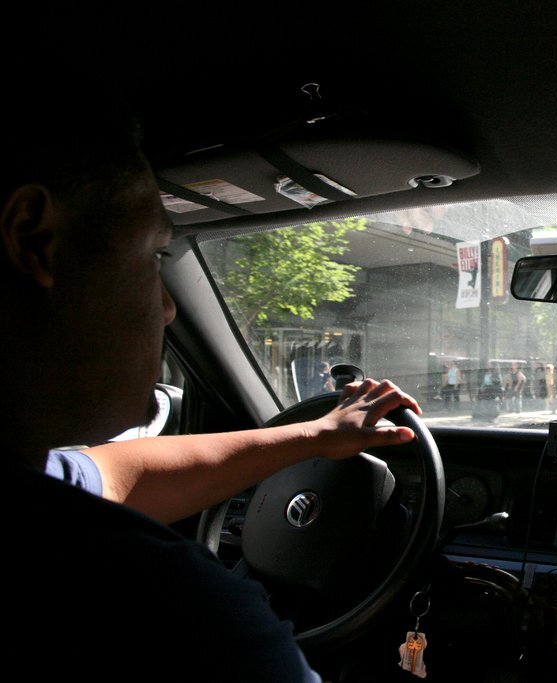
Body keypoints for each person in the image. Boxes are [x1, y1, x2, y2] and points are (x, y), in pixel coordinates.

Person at [0, 74, 420, 681]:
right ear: (34, 241)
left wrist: (316, 436)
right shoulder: (182, 619)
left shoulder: (37, 478)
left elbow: (121, 472)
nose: (169, 309)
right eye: (151, 256)